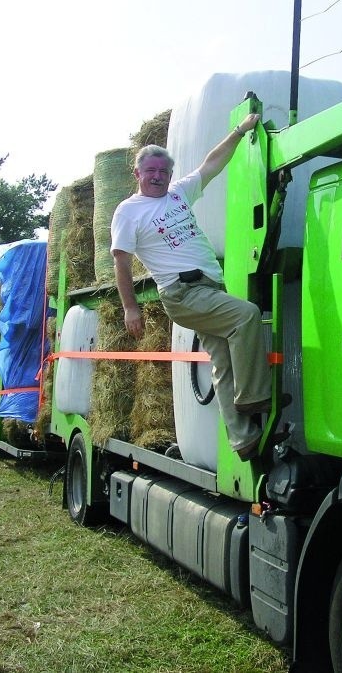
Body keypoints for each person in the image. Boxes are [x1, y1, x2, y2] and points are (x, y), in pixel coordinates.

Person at [110, 112, 272, 461]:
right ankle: (254, 398)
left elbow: (212, 163)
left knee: (224, 361)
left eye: (163, 171)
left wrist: (239, 131)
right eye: (150, 171)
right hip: (182, 294)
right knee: (246, 316)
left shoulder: (179, 193)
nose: (157, 176)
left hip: (210, 287)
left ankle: (242, 439)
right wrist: (130, 307)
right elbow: (120, 262)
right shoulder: (128, 211)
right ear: (137, 174)